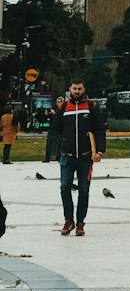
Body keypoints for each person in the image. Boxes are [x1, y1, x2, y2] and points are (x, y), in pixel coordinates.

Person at [53, 80, 106, 235]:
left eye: (79, 89)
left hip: (85, 157)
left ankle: (81, 223)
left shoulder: (92, 107)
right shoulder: (63, 108)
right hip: (67, 157)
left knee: (83, 190)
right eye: (74, 88)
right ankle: (68, 220)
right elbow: (54, 130)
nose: (76, 91)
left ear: (84, 89)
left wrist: (100, 151)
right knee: (64, 188)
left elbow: (100, 130)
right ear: (70, 89)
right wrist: (61, 143)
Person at [44, 96, 65, 163]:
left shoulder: (63, 110)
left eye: (59, 102)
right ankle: (47, 157)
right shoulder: (55, 109)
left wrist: (55, 114)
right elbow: (49, 118)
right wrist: (47, 114)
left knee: (59, 144)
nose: (57, 103)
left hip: (59, 130)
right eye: (56, 102)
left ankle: (58, 157)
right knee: (49, 143)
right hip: (52, 129)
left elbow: (62, 118)